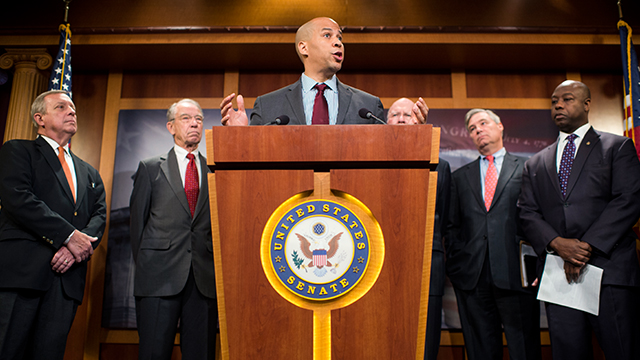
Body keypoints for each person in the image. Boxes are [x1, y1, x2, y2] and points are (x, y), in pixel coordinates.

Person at [518, 80, 640, 360]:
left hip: (609, 270)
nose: (558, 105)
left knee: (622, 350)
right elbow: (527, 212)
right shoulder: (535, 163)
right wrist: (558, 244)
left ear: (587, 104)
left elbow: (628, 199)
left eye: (567, 99)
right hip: (559, 275)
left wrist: (584, 248)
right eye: (554, 101)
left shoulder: (617, 147)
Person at [0, 90, 107, 359]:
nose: (72, 111)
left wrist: (73, 249)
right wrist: (68, 236)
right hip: (21, 276)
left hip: (66, 281)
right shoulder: (18, 150)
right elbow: (18, 200)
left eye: (73, 107)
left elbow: (99, 215)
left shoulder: (89, 172)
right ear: (40, 118)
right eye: (61, 107)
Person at [446, 109, 541, 360]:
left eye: (483, 123)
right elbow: (452, 226)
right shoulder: (459, 177)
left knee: (525, 349)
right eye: (472, 128)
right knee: (481, 351)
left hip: (517, 275)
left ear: (500, 127)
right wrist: (457, 267)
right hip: (472, 278)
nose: (478, 130)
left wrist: (540, 265)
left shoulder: (529, 168)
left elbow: (540, 219)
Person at [130, 99, 217, 360]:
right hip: (158, 278)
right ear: (171, 126)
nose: (194, 124)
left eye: (199, 119)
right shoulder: (150, 167)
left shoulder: (213, 169)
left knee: (201, 353)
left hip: (203, 280)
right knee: (153, 352)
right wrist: (149, 267)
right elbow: (137, 226)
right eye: (186, 118)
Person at [220, 17, 427, 126]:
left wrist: (413, 136)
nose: (338, 42)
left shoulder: (368, 106)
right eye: (327, 36)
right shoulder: (268, 106)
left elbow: (385, 160)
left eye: (340, 38)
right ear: (304, 48)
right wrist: (238, 136)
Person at [387, 97, 450, 360]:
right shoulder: (365, 165)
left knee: (425, 339)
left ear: (420, 120)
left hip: (427, 265)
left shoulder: (439, 166)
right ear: (384, 122)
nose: (401, 119)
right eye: (394, 114)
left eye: (408, 114)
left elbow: (445, 220)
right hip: (381, 263)